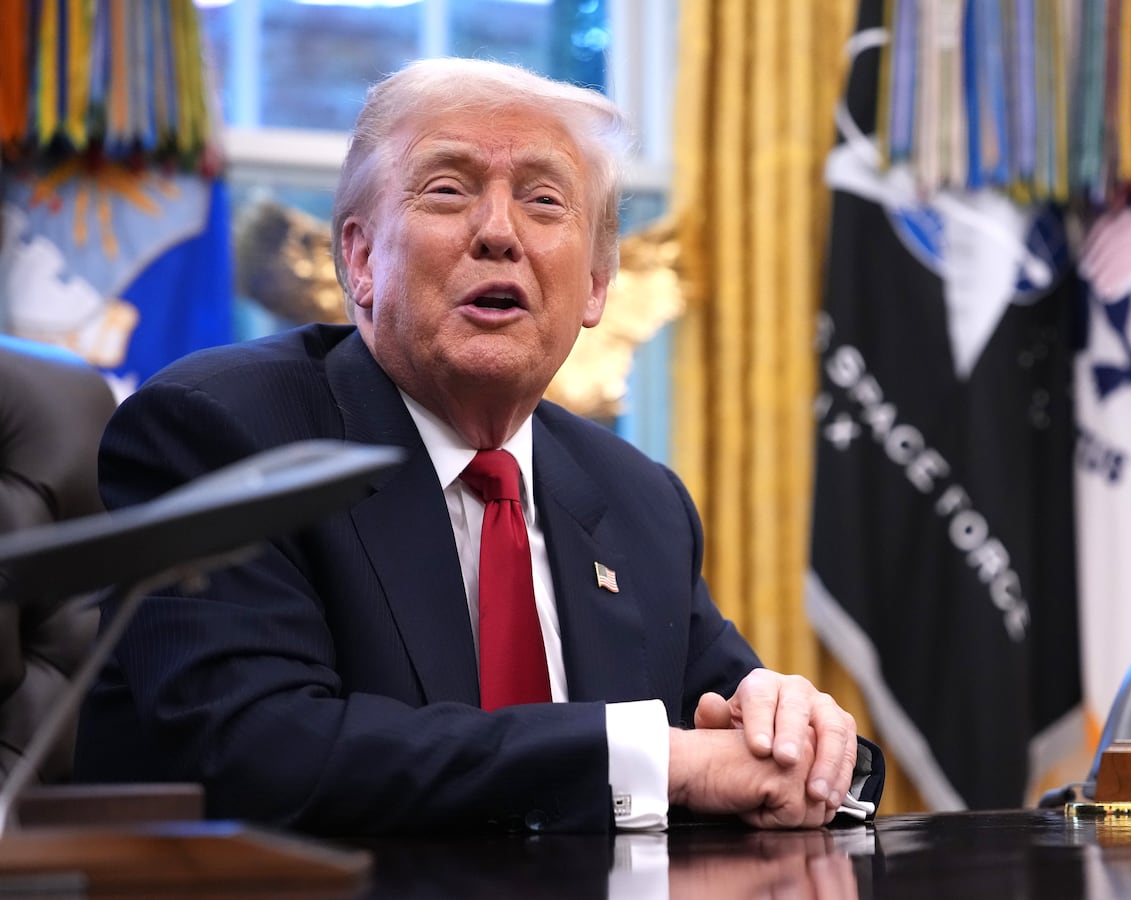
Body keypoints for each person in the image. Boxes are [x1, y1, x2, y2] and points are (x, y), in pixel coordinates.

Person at [74, 58, 875, 834]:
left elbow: (745, 749)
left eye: (544, 201)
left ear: (597, 285)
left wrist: (802, 737)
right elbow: (260, 753)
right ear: (360, 258)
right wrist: (654, 760)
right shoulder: (224, 434)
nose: (498, 232)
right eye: (448, 190)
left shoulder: (638, 501)